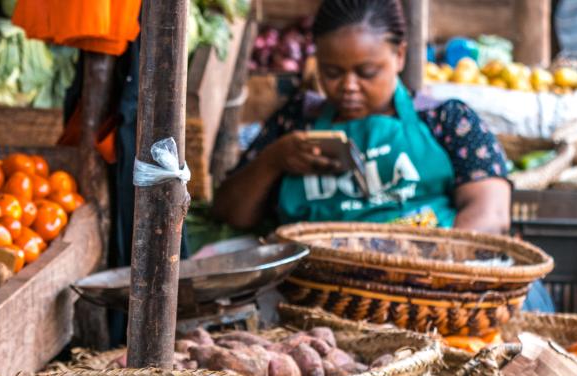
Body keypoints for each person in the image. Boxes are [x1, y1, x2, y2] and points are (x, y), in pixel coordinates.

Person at [212, 0, 511, 235]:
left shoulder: (448, 121)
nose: (348, 86)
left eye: (367, 73)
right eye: (332, 72)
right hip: (317, 286)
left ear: (400, 56)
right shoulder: (297, 121)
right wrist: (274, 159)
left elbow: (491, 214)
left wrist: (437, 264)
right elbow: (231, 213)